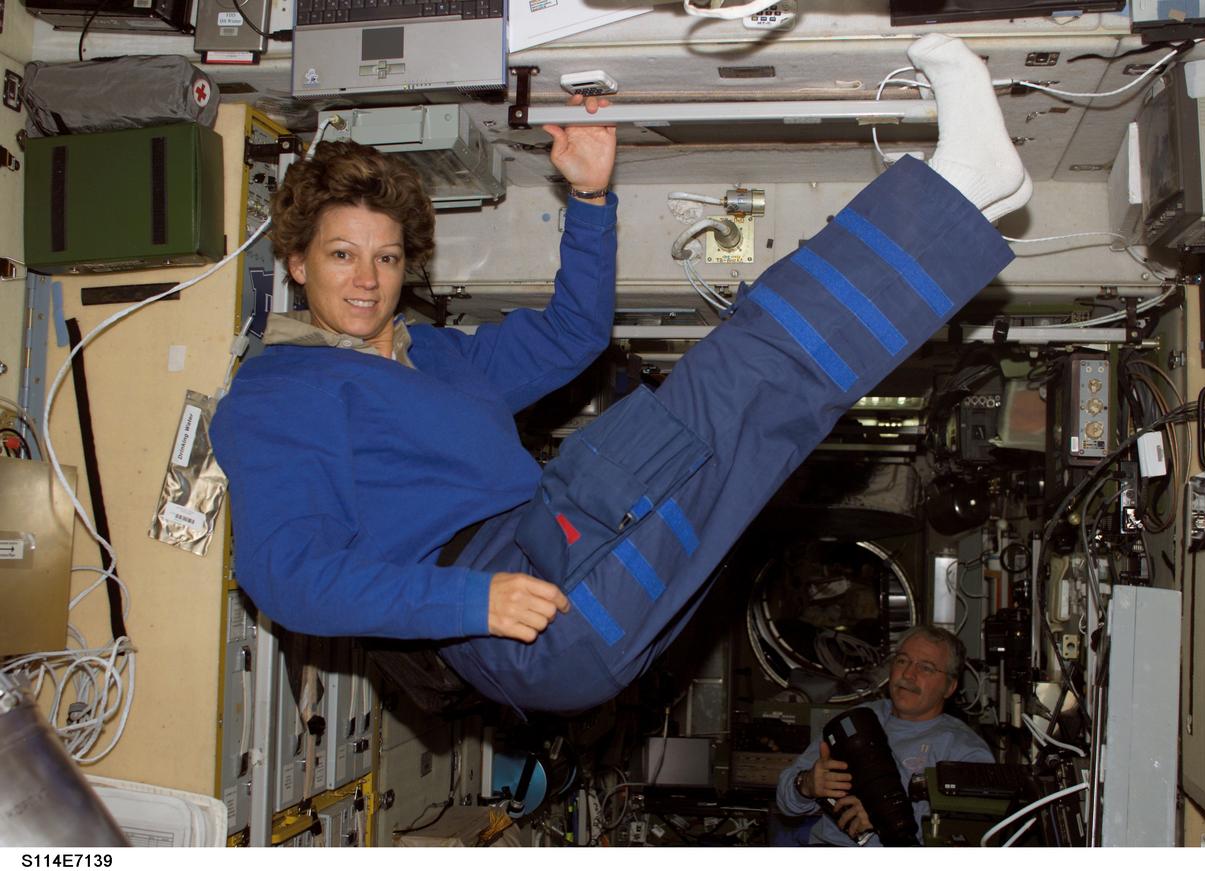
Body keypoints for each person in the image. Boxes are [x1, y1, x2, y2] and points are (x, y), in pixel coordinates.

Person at [211, 34, 1031, 716]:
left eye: (386, 257)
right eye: (342, 255)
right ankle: (963, 185)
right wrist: (471, 602)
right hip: (514, 607)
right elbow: (286, 575)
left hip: (547, 543)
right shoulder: (279, 388)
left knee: (752, 408)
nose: (366, 279)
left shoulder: (438, 356)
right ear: (295, 263)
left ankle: (970, 194)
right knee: (735, 383)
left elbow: (573, 335)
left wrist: (592, 202)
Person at [775, 625, 994, 846]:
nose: (908, 674)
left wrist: (887, 818)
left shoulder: (963, 750)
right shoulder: (855, 722)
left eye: (926, 668)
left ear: (950, 687)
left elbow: (968, 835)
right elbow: (785, 802)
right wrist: (806, 784)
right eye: (902, 661)